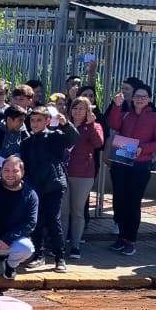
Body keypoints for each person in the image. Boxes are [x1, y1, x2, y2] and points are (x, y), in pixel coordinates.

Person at [106, 85, 156, 255]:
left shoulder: (155, 118)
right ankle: (121, 238)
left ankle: (130, 240)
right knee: (119, 200)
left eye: (144, 96)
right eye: (137, 96)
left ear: (149, 99)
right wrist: (117, 106)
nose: (140, 99)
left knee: (133, 203)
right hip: (121, 159)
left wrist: (143, 148)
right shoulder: (127, 114)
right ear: (132, 98)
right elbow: (113, 123)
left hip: (140, 163)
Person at [20, 105, 80, 272]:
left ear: (47, 121)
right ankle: (39, 255)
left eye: (39, 120)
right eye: (32, 120)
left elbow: (73, 138)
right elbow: (24, 164)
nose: (35, 123)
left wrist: (66, 123)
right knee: (36, 221)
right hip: (34, 185)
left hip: (53, 184)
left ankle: (60, 257)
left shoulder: (55, 136)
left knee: (53, 220)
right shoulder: (26, 141)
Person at [61, 96, 105, 259]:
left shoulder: (94, 126)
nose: (77, 111)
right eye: (75, 107)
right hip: (64, 173)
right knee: (63, 211)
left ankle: (75, 245)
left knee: (77, 211)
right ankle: (61, 243)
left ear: (88, 111)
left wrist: (92, 124)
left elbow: (99, 144)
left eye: (82, 108)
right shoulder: (64, 124)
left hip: (83, 174)